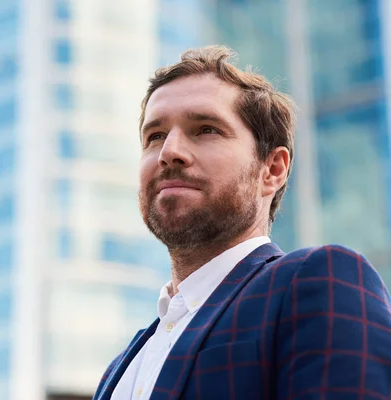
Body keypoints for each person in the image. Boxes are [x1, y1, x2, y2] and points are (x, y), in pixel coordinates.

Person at [93, 46, 391, 400]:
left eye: (206, 129)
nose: (169, 151)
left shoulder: (317, 280)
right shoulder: (122, 367)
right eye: (154, 136)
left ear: (273, 169)